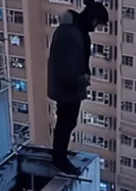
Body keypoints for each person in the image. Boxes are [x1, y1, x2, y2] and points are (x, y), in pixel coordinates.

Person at [47, 0, 109, 176]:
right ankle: (59, 158)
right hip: (67, 89)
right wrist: (82, 80)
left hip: (68, 88)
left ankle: (59, 156)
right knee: (66, 122)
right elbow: (67, 68)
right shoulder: (71, 33)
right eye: (97, 23)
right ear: (92, 18)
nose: (95, 28)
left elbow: (78, 61)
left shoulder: (75, 31)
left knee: (67, 122)